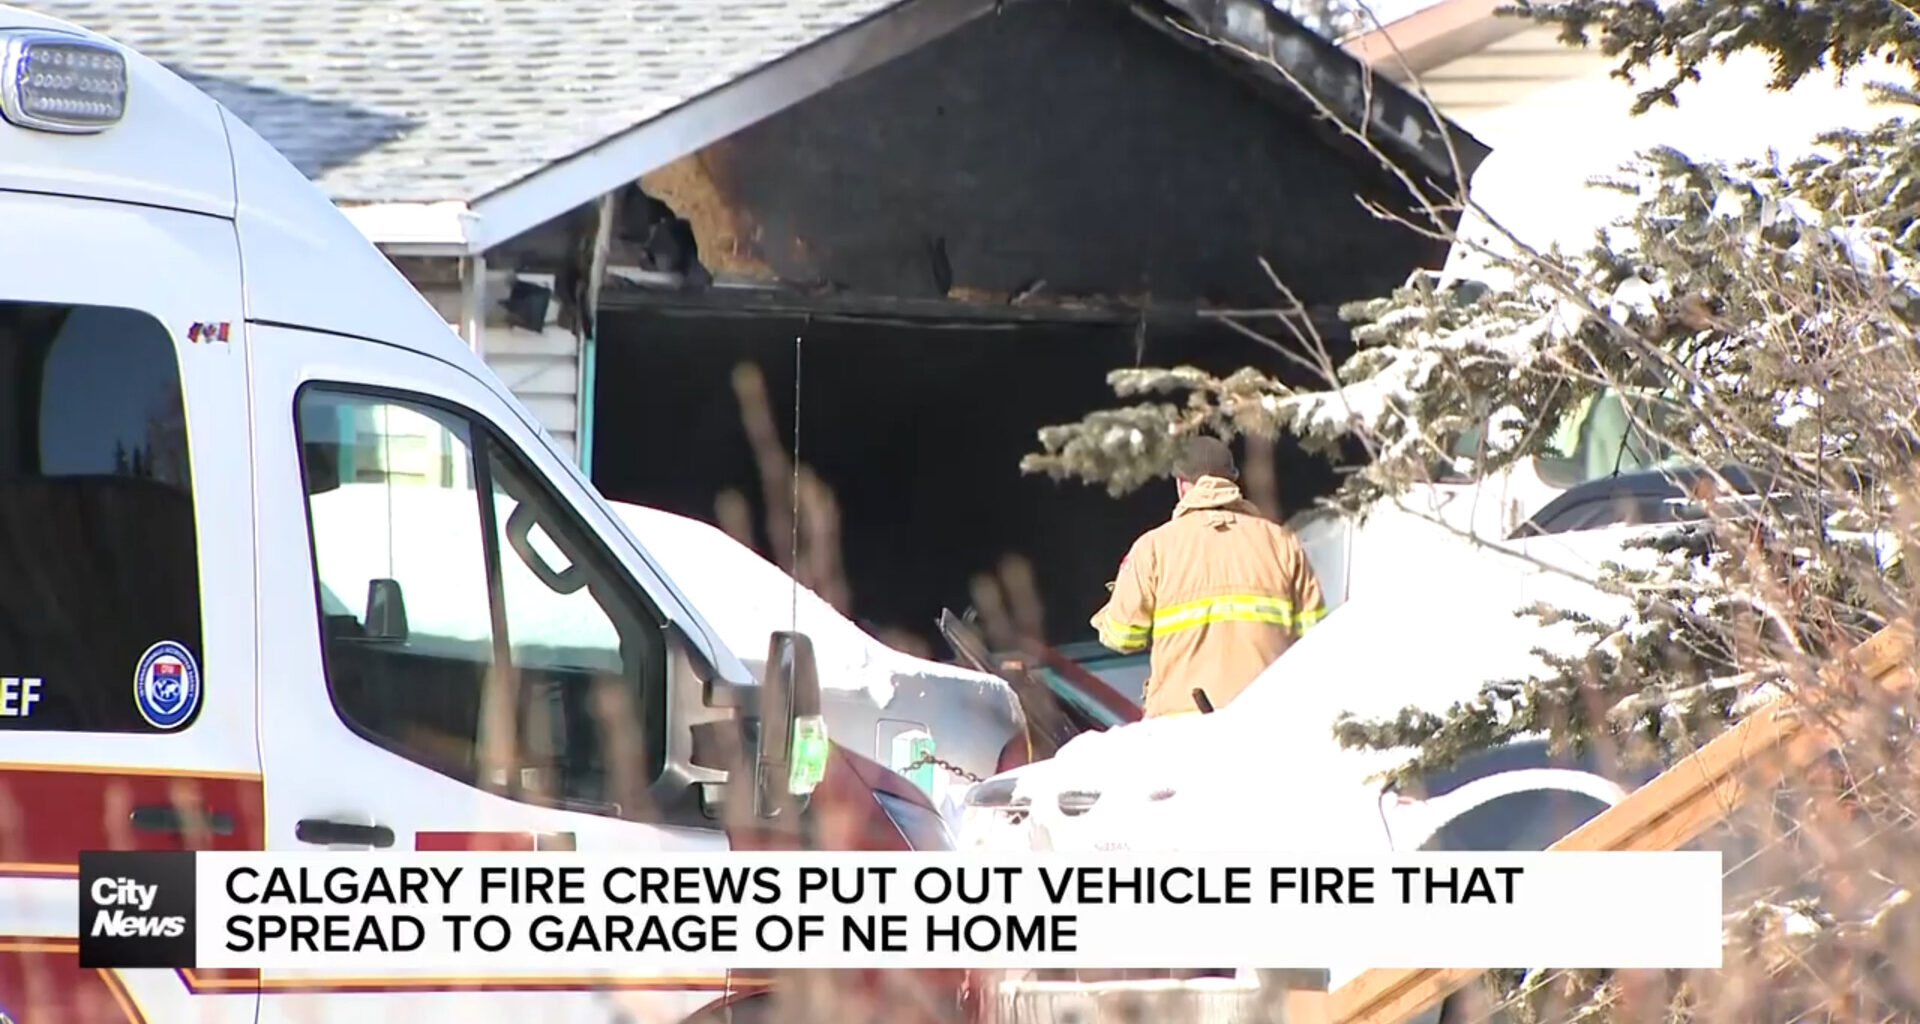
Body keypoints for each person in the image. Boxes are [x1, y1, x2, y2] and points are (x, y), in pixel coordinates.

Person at [1090, 435, 1326, 717]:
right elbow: (1317, 637)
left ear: (1181, 484)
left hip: (1183, 727)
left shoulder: (1153, 548)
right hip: (1268, 718)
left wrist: (1112, 607)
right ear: (1232, 481)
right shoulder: (1282, 542)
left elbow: (1122, 636)